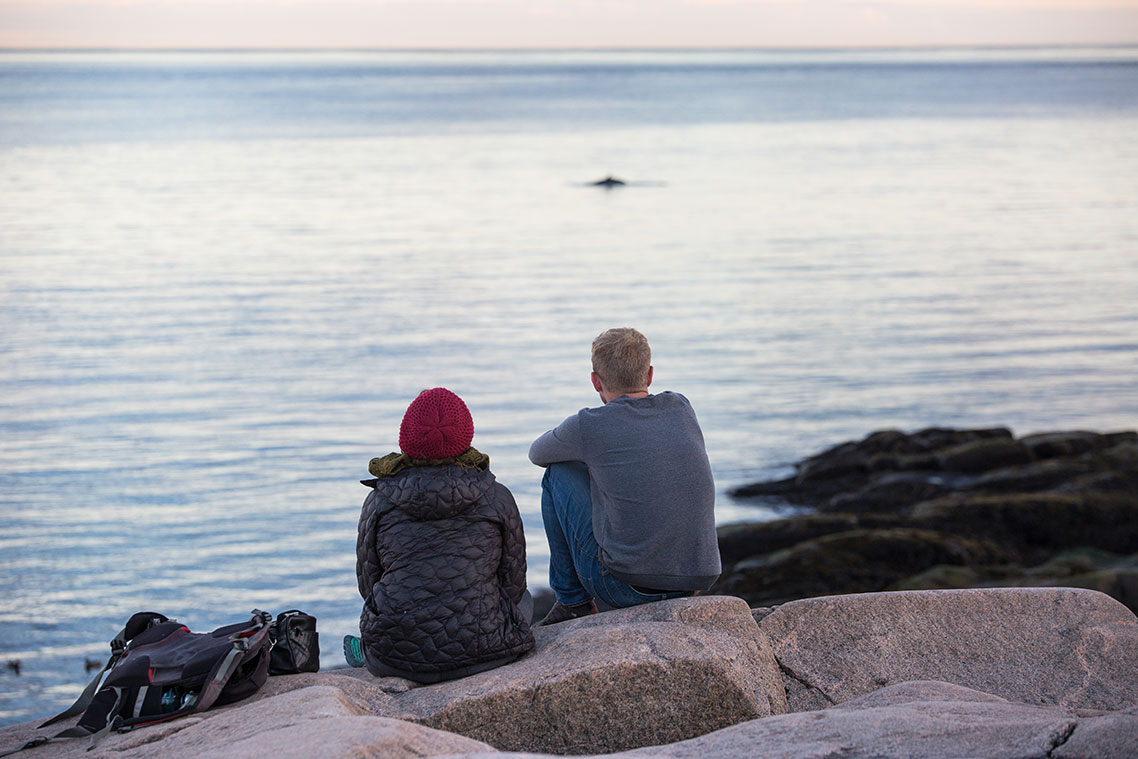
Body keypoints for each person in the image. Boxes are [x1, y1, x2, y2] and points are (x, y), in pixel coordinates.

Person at [528, 327, 721, 625]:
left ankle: (572, 601)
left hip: (626, 588)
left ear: (595, 381)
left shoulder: (589, 425)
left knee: (559, 472)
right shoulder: (681, 406)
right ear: (650, 375)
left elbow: (537, 454)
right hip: (693, 581)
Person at [344, 387, 534, 681]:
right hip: (489, 651)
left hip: (397, 659)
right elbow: (513, 585)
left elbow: (368, 585)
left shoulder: (378, 501)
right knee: (528, 601)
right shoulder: (497, 496)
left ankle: (364, 651)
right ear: (465, 436)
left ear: (407, 439)